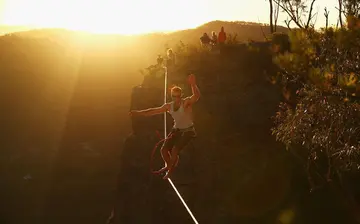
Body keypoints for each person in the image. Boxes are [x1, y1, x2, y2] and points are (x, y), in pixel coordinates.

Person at [129, 74, 200, 179]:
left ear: (181, 96)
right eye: (174, 96)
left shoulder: (185, 103)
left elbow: (196, 96)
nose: (176, 99)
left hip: (188, 131)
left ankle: (170, 170)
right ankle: (169, 165)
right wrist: (138, 113)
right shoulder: (169, 106)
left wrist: (193, 85)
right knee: (163, 150)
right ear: (171, 96)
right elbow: (152, 111)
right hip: (177, 129)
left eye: (178, 96)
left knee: (175, 149)